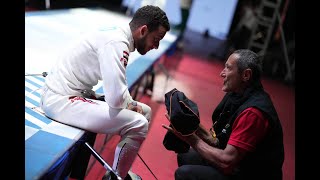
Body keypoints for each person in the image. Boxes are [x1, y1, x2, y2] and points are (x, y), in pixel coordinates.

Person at [40, 5, 170, 180]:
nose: (156, 46)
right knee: (139, 123)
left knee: (145, 111)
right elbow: (116, 98)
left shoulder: (118, 35)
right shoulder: (117, 42)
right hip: (60, 99)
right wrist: (130, 105)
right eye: (157, 39)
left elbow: (118, 91)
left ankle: (117, 172)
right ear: (143, 30)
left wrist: (130, 104)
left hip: (72, 93)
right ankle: (116, 177)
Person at [162, 49, 284, 180]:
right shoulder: (236, 94)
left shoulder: (254, 113)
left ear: (246, 75)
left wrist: (190, 139)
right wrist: (188, 123)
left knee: (185, 174)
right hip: (240, 164)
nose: (222, 73)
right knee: (186, 156)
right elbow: (217, 141)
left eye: (228, 68)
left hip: (252, 174)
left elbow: (226, 161)